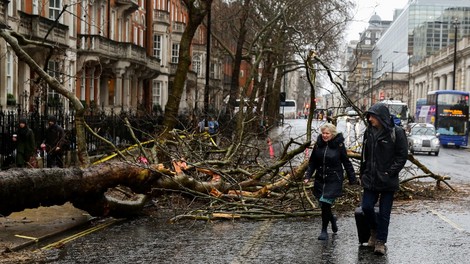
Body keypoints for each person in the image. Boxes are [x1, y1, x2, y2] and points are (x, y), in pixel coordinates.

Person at [360, 103, 408, 255]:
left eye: (372, 116)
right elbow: (364, 155)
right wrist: (363, 173)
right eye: (368, 116)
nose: (369, 119)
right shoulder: (368, 132)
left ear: (380, 117)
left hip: (388, 179)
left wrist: (390, 172)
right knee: (366, 207)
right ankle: (374, 229)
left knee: (384, 213)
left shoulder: (397, 132)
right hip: (371, 178)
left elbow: (402, 156)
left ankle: (380, 242)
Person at [303, 123, 357, 240]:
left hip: (334, 179)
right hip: (320, 179)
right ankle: (332, 219)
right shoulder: (318, 145)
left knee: (326, 203)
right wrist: (307, 176)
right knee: (323, 205)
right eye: (323, 133)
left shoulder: (339, 145)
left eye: (327, 133)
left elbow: (346, 162)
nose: (325, 135)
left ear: (332, 134)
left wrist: (352, 178)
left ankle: (324, 230)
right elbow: (312, 162)